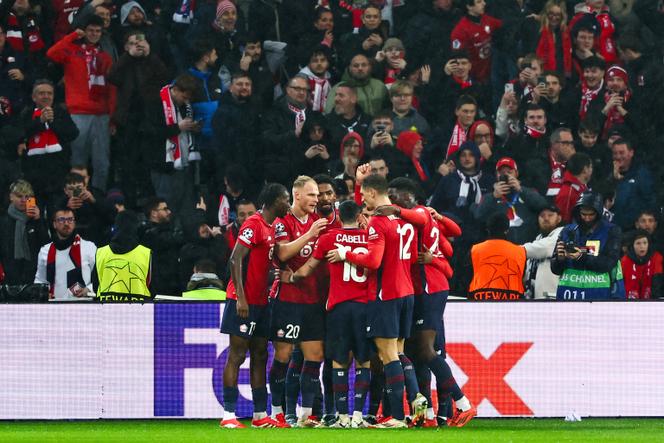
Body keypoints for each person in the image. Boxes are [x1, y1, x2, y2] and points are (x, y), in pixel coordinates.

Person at [332, 173, 477, 427]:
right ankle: (418, 404)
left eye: (364, 194)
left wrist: (346, 252)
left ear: (373, 193)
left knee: (389, 355)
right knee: (400, 352)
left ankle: (398, 416)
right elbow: (420, 252)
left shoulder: (381, 221)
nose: (362, 199)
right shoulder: (408, 223)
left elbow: (375, 261)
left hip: (386, 294)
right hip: (408, 293)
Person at [387, 177, 472, 427]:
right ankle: (429, 415)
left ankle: (463, 403)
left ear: (409, 196)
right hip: (422, 289)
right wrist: (436, 256)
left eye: (395, 196)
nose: (391, 201)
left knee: (426, 350)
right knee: (416, 352)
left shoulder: (421, 214)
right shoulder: (422, 219)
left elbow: (447, 249)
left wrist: (432, 259)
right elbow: (449, 246)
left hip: (428, 288)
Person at [282, 200, 371, 428]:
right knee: (364, 362)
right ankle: (358, 417)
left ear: (339, 215)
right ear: (360, 215)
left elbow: (306, 270)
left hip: (338, 308)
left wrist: (289, 277)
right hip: (365, 307)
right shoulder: (370, 237)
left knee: (339, 363)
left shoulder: (329, 239)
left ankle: (341, 418)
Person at [219, 182, 290, 429]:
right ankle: (229, 415)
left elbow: (260, 265)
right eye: (286, 199)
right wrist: (240, 297)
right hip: (243, 302)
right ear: (275, 201)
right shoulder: (254, 224)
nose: (288, 204)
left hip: (261, 302)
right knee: (237, 355)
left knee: (260, 355)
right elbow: (235, 258)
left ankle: (260, 415)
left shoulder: (271, 227)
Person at [268, 176, 329, 427]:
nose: (317, 199)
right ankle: (277, 412)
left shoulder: (320, 222)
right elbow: (282, 252)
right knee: (282, 355)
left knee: (315, 355)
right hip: (288, 299)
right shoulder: (283, 222)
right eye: (312, 195)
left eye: (318, 195)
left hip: (314, 299)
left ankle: (306, 414)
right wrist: (310, 235)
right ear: (298, 196)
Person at [47, 15, 114, 192]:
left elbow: (112, 89)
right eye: (91, 30)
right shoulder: (71, 51)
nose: (94, 34)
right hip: (78, 112)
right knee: (77, 160)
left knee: (102, 162)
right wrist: (72, 36)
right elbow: (51, 53)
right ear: (84, 31)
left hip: (102, 113)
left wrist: (113, 117)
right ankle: (75, 197)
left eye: (98, 31)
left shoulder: (105, 57)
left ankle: (97, 198)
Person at [552, 191, 624, 300]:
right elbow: (555, 269)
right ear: (578, 212)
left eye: (591, 214)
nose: (587, 218)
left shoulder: (611, 231)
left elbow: (609, 263)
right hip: (568, 295)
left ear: (599, 213)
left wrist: (582, 257)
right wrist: (559, 259)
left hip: (599, 296)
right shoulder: (567, 231)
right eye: (583, 214)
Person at [19, 79, 79, 202]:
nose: (46, 96)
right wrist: (40, 122)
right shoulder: (26, 113)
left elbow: (73, 133)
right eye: (41, 93)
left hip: (58, 170)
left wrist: (53, 122)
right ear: (34, 97)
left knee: (56, 207)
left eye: (49, 93)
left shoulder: (61, 113)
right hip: (33, 171)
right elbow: (20, 133)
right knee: (33, 209)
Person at [474, 157, 547, 245]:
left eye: (509, 172)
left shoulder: (528, 191)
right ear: (496, 175)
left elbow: (543, 206)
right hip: (500, 245)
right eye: (502, 173)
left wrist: (521, 190)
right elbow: (479, 217)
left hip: (527, 245)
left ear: (516, 173)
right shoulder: (489, 197)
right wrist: (493, 197)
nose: (506, 175)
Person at [35, 208, 96, 300]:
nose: (66, 223)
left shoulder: (89, 247)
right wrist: (42, 293)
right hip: (53, 305)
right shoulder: (45, 250)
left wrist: (88, 289)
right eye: (61, 220)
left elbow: (100, 277)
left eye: (70, 220)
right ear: (54, 224)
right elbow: (40, 280)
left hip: (82, 305)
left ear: (74, 223)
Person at [93, 210, 152, 301]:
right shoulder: (146, 253)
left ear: (115, 227)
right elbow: (153, 287)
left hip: (107, 310)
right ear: (136, 227)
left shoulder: (101, 252)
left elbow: (95, 286)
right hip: (139, 311)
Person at [468, 212, 527, 300]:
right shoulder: (520, 251)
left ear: (488, 229)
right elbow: (523, 277)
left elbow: (467, 276)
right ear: (507, 230)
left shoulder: (475, 250)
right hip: (513, 300)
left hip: (480, 299)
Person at [0, 180, 49, 285]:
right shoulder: (3, 221)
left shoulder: (36, 220)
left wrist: (38, 220)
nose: (23, 200)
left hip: (34, 274)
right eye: (19, 196)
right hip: (9, 274)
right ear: (11, 197)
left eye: (27, 197)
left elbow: (46, 245)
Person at [449, 0, 502, 85]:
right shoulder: (459, 31)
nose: (484, 3)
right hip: (475, 79)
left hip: (492, 74)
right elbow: (458, 60)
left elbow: (503, 25)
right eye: (479, 1)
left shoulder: (486, 19)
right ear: (469, 6)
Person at [140, 197, 185, 296]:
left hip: (173, 286)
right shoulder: (147, 235)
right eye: (165, 209)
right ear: (154, 213)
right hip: (157, 289)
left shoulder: (168, 231)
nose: (169, 212)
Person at [609, 138, 656, 231]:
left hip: (634, 230)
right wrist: (613, 179)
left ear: (631, 153)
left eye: (622, 153)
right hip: (612, 228)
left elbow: (650, 201)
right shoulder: (607, 174)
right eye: (615, 153)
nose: (618, 157)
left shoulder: (642, 174)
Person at [324, 53, 389, 117]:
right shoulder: (339, 88)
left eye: (364, 65)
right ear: (350, 68)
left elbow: (388, 109)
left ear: (369, 67)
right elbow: (330, 114)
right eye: (356, 66)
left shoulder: (380, 86)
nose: (360, 68)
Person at [523, 205, 564, 299]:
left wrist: (511, 250)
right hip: (537, 297)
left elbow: (543, 248)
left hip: (554, 296)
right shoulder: (538, 239)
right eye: (542, 215)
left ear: (559, 218)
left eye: (550, 215)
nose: (546, 218)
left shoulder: (563, 233)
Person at [620, 230, 663, 299]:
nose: (642, 246)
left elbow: (658, 284)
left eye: (645, 243)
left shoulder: (656, 258)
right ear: (632, 246)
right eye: (638, 243)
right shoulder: (624, 261)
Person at [555, 152, 593, 223]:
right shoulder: (567, 193)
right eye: (591, 167)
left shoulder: (583, 186)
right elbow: (563, 221)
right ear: (585, 169)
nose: (592, 170)